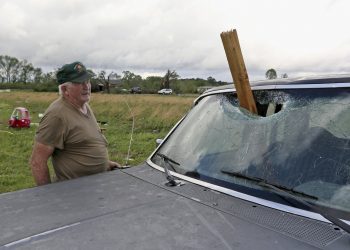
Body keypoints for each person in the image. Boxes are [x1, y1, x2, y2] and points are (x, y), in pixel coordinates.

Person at [30, 61, 121, 186]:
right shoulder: (57, 115)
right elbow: (37, 161)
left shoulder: (84, 105)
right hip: (74, 193)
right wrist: (48, 199)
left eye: (87, 81)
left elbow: (82, 144)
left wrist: (106, 164)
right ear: (64, 89)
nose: (86, 86)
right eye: (79, 83)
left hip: (95, 187)